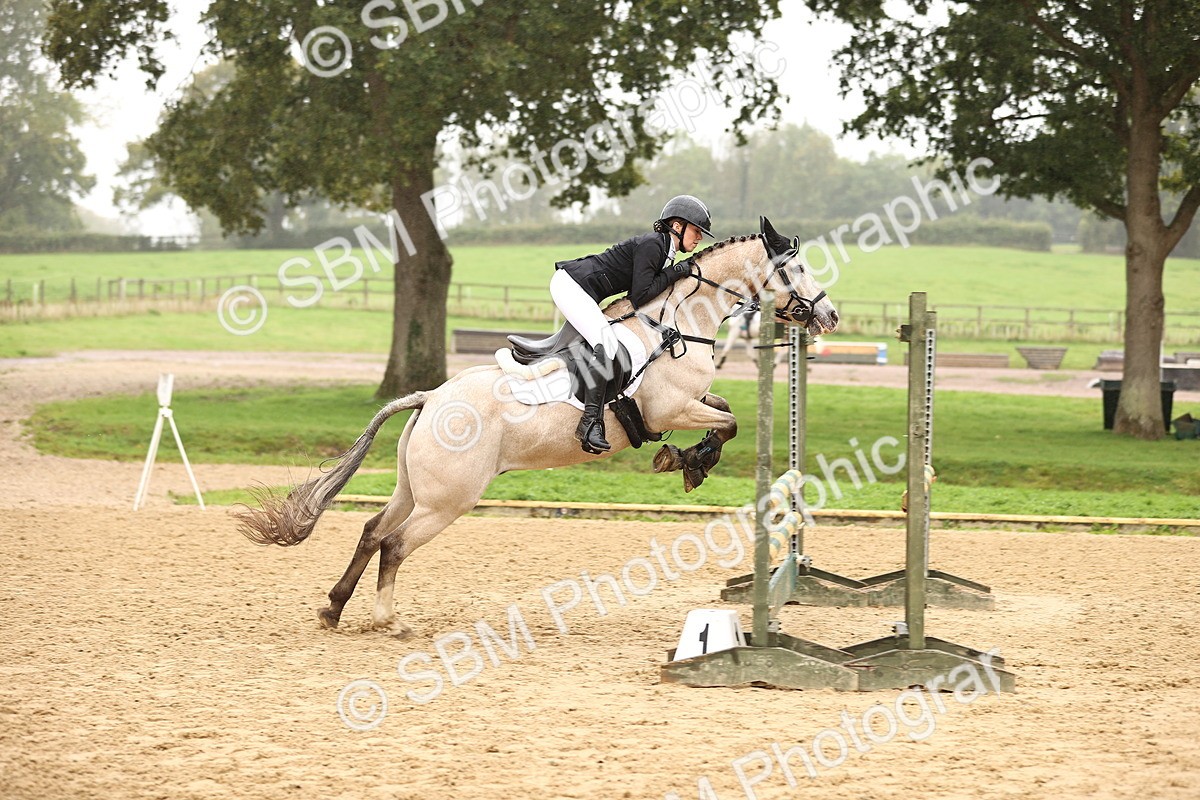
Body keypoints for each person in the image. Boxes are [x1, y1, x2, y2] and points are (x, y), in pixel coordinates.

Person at [550, 195, 713, 454]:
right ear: (678, 226)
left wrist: (674, 271)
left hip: (582, 289)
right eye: (696, 231)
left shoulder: (662, 249)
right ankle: (590, 423)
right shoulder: (654, 245)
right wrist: (676, 272)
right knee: (607, 344)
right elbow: (640, 297)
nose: (699, 238)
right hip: (572, 286)